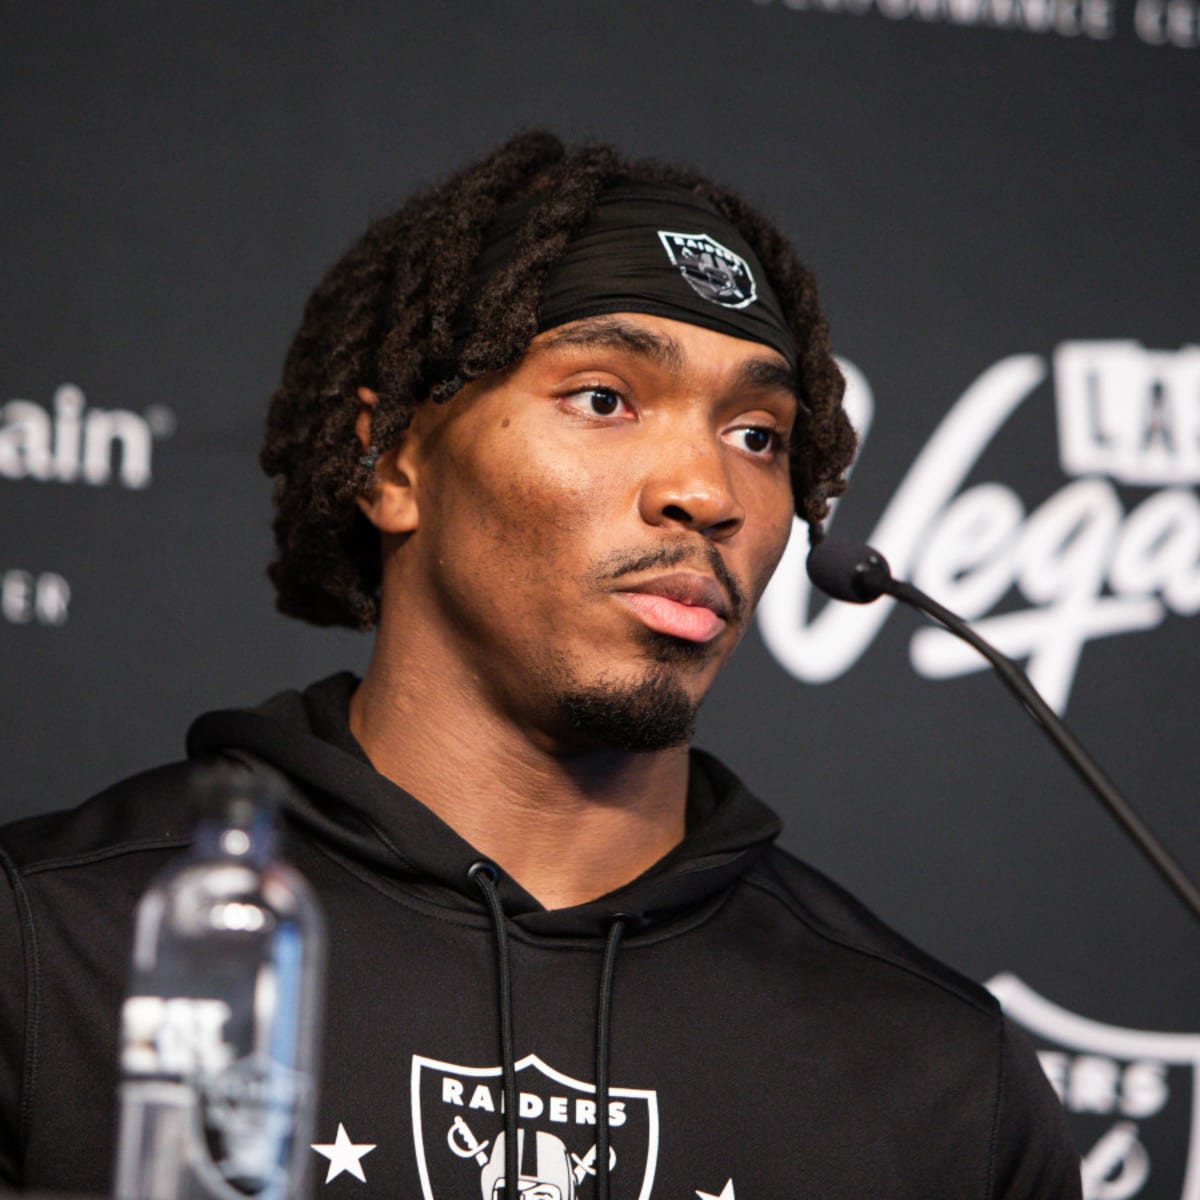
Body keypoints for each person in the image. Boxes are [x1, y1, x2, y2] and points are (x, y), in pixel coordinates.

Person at [0, 130, 1081, 1198]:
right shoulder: (53, 949)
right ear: (393, 463)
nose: (708, 492)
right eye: (604, 399)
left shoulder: (945, 1083)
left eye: (757, 434)